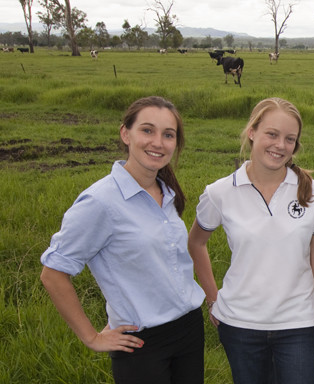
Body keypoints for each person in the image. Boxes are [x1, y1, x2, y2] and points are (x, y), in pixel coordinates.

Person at [40, 96, 206, 384]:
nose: (158, 142)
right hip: (141, 342)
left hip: (189, 328)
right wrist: (91, 337)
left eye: (168, 135)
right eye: (147, 130)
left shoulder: (166, 191)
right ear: (125, 134)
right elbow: (53, 273)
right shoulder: (100, 202)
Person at [187, 97, 314, 383]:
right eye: (272, 134)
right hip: (239, 326)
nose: (280, 145)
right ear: (252, 132)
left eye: (289, 139)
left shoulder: (313, 193)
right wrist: (212, 299)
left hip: (298, 324)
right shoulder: (220, 192)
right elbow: (196, 243)